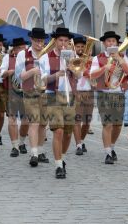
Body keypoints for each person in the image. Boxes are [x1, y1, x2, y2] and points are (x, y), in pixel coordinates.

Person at [40, 27, 79, 178]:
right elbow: (42, 79)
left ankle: (60, 157)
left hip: (70, 96)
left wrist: (72, 67)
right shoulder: (46, 57)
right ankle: (58, 165)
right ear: (55, 41)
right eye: (60, 40)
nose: (63, 43)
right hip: (52, 95)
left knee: (68, 133)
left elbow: (80, 75)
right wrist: (55, 75)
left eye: (66, 41)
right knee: (59, 131)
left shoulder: (72, 56)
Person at [90, 31, 128, 164]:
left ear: (117, 43)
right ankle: (107, 152)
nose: (111, 43)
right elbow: (92, 75)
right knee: (107, 124)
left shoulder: (123, 56)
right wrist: (105, 68)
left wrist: (119, 59)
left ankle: (112, 146)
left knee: (118, 125)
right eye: (108, 41)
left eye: (113, 41)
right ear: (104, 43)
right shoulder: (98, 58)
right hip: (104, 94)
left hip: (119, 93)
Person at [15, 28, 50, 167]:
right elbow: (19, 76)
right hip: (29, 92)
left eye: (41, 41)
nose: (39, 43)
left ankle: (40, 151)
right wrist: (33, 71)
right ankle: (34, 153)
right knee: (34, 122)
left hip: (45, 92)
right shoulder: (23, 54)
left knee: (43, 123)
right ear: (31, 40)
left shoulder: (47, 55)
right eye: (36, 40)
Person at [0, 37, 29, 157]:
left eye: (24, 48)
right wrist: (11, 71)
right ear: (15, 50)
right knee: (12, 119)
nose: (23, 50)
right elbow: (2, 73)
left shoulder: (29, 57)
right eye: (20, 48)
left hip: (27, 91)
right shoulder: (8, 58)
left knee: (26, 120)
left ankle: (22, 142)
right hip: (12, 92)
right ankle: (15, 146)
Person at [73, 36, 94, 155]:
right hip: (76, 92)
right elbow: (75, 75)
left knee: (87, 121)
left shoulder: (91, 60)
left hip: (89, 92)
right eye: (78, 47)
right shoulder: (72, 59)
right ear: (74, 47)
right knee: (77, 119)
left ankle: (80, 140)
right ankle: (78, 145)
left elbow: (95, 76)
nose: (80, 49)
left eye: (82, 47)